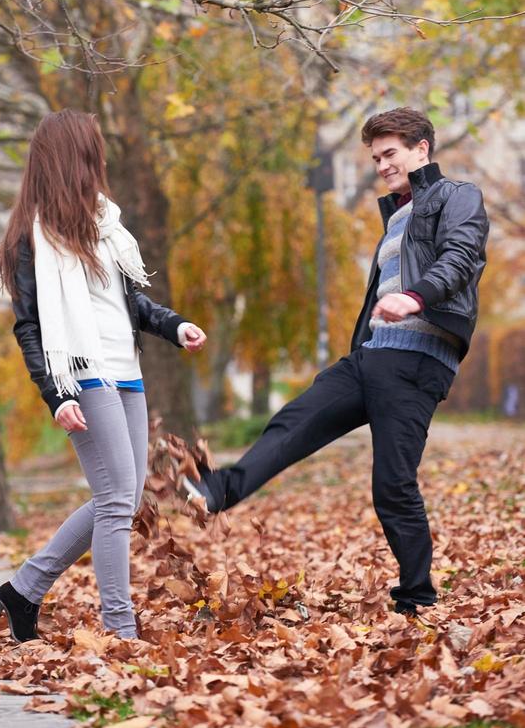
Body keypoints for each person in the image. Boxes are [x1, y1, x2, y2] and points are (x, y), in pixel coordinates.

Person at [182, 108, 488, 617]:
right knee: (294, 422)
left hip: (417, 363)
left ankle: (418, 597)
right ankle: (219, 489)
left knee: (392, 484)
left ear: (422, 149)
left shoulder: (457, 197)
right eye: (376, 158)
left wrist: (414, 298)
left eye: (391, 154)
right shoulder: (395, 216)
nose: (383, 165)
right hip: (371, 356)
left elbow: (461, 257)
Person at [0, 110, 206, 642]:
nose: (100, 159)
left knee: (125, 499)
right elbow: (30, 328)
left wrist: (175, 326)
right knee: (114, 501)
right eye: (93, 149)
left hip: (125, 372)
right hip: (82, 378)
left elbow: (130, 303)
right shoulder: (32, 240)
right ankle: (119, 630)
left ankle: (23, 591)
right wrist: (55, 394)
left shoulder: (106, 226)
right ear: (73, 158)